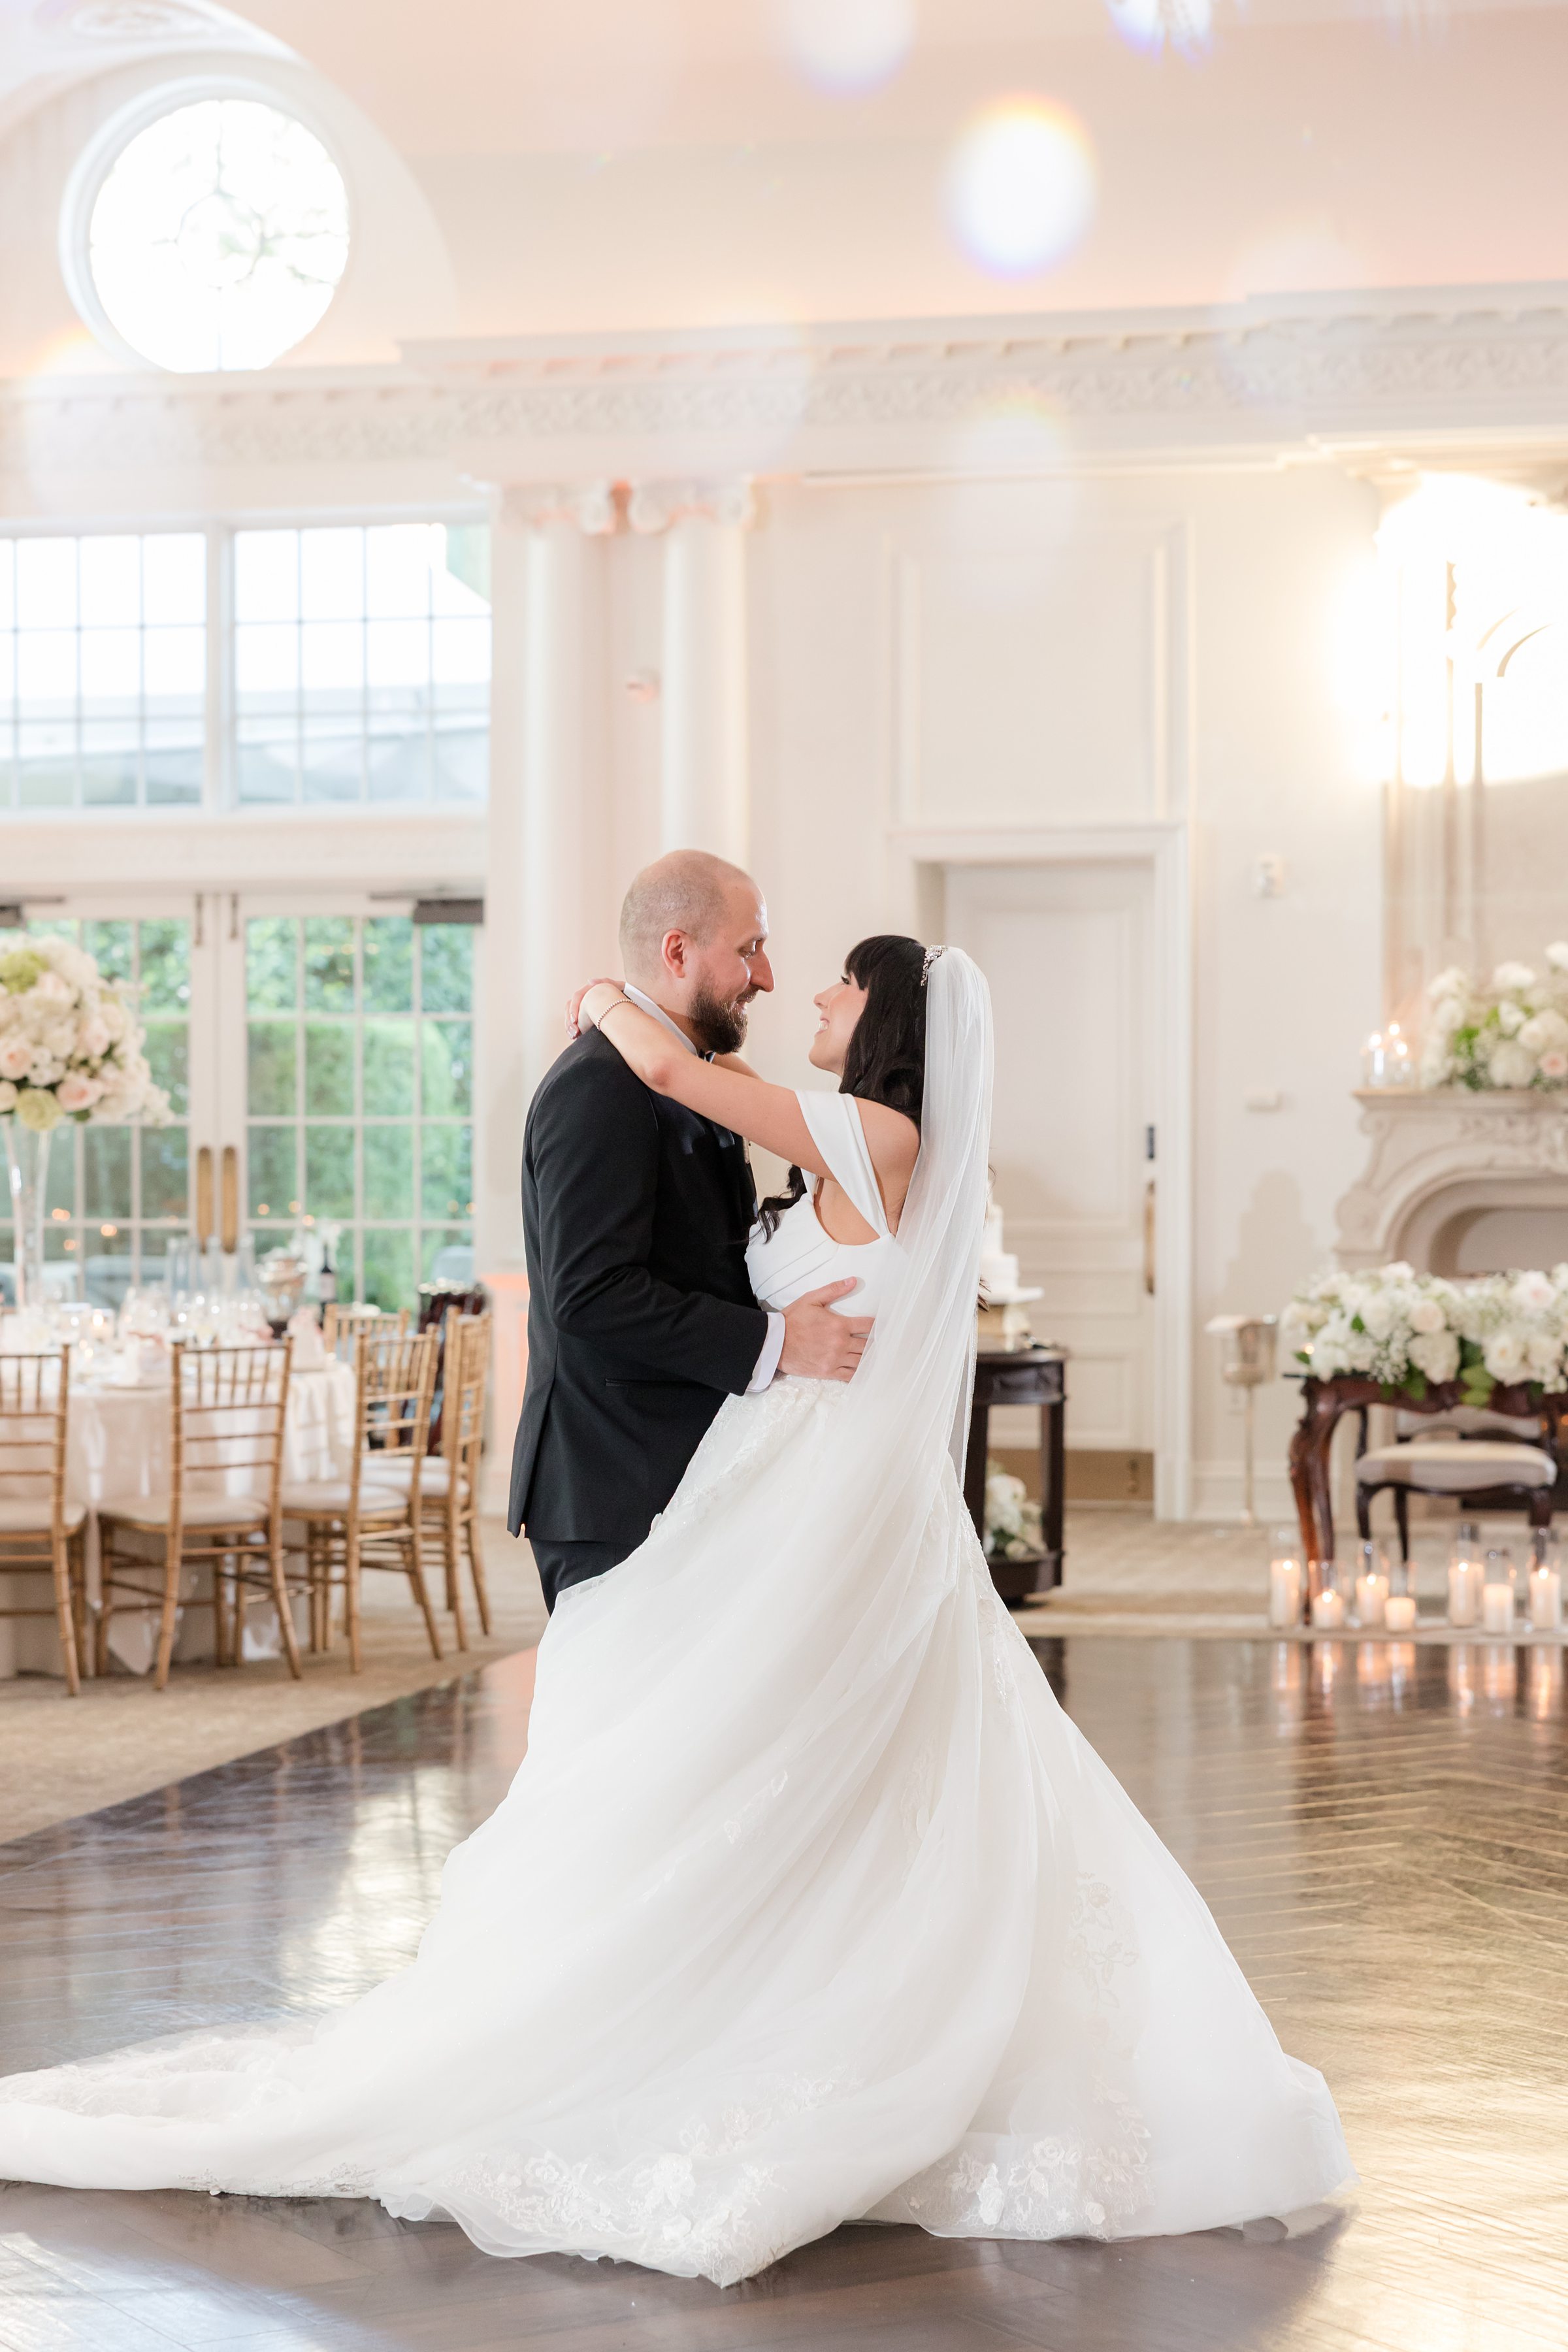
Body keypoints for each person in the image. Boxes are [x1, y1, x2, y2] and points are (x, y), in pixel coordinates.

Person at [0, 913, 1352, 2287]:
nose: (803, 987)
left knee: (740, 1749)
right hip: (781, 1485)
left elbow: (680, 1079)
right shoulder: (872, 1140)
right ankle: (788, 1996)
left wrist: (605, 992)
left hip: (807, 1501)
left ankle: (746, 2016)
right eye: (768, 954)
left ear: (882, 1019)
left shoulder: (874, 1135)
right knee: (778, 1757)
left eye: (832, 980)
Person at [509, 851, 869, 1615]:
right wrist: (777, 1343)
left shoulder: (684, 1071)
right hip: (618, 1481)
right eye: (750, 949)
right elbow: (592, 1294)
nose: (766, 977)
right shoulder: (600, 1086)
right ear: (678, 951)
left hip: (682, 1472)